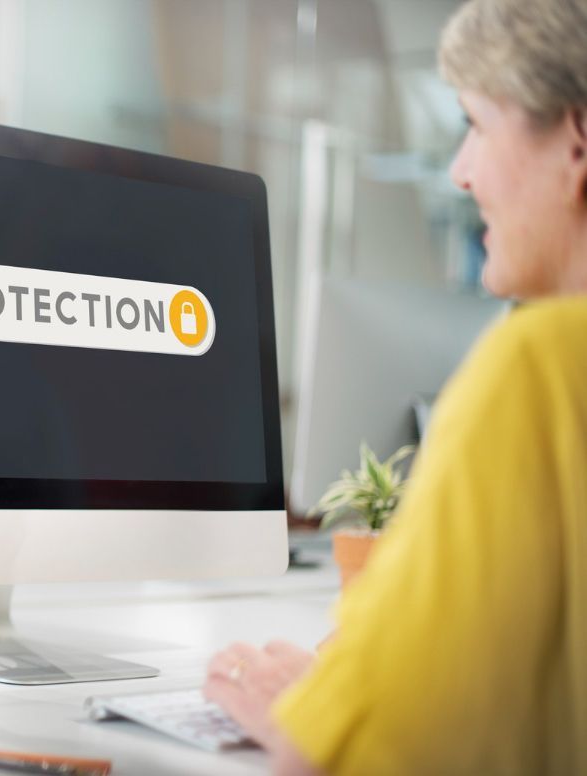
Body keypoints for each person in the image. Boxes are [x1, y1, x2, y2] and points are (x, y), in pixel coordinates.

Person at [200, 1, 587, 773]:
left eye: (477, 124)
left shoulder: (540, 364)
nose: (459, 170)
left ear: (576, 140)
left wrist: (312, 705)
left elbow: (375, 751)